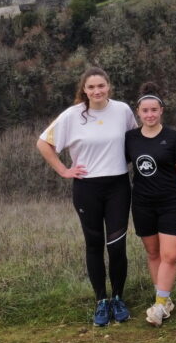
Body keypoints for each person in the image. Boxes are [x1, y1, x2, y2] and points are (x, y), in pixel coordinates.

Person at [36, 67, 138, 327]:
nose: (97, 91)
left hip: (117, 185)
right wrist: (64, 170)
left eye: (101, 86)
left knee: (117, 246)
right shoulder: (72, 115)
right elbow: (43, 143)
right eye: (91, 87)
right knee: (94, 244)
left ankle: (118, 298)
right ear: (84, 90)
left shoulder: (122, 110)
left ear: (108, 86)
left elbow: (135, 142)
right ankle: (101, 300)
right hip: (87, 188)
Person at [125, 82, 176, 326]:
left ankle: (158, 305)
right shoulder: (130, 138)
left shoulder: (172, 137)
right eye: (145, 111)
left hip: (172, 203)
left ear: (161, 111)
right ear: (138, 112)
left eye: (154, 110)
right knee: (153, 253)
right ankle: (163, 300)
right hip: (142, 204)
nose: (150, 115)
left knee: (170, 255)